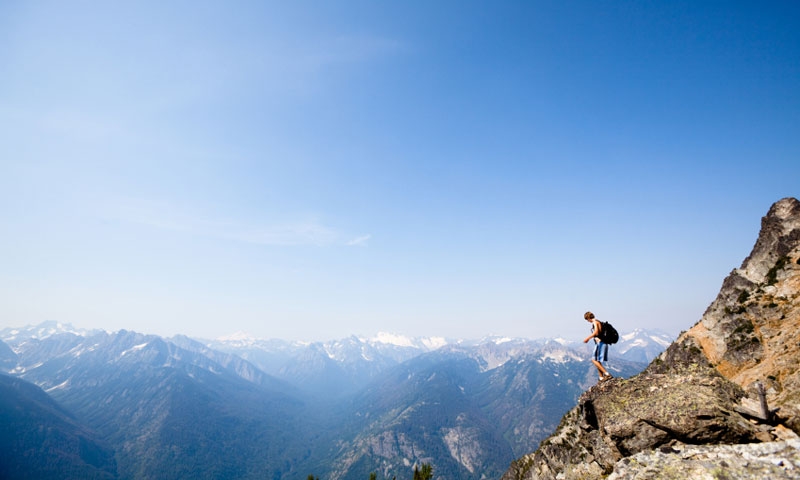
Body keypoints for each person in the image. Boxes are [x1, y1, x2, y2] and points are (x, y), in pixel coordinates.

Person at [582, 311, 612, 382]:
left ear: (588, 318)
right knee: (597, 360)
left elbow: (596, 332)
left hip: (600, 343)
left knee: (594, 360)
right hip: (602, 342)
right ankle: (601, 377)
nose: (588, 321)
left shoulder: (595, 322)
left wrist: (587, 338)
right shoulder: (599, 322)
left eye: (587, 319)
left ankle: (607, 374)